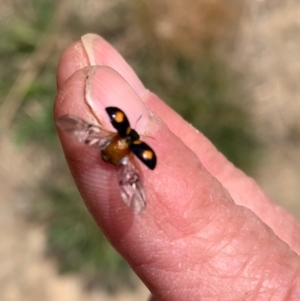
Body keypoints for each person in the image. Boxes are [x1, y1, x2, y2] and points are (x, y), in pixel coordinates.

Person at [54, 33, 300, 300]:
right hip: (113, 157)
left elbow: (90, 135)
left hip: (112, 155)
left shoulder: (115, 143)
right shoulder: (126, 152)